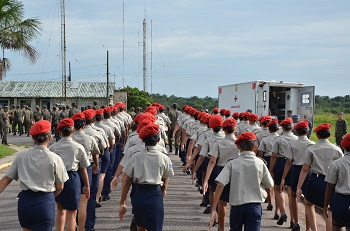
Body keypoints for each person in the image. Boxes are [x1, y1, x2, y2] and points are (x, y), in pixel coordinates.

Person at [0, 120, 69, 231]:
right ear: (50, 137)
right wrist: (49, 196)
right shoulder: (55, 158)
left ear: (33, 138)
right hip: (45, 202)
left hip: (26, 202)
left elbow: (7, 178)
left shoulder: (21, 156)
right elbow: (60, 186)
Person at [210, 132, 274, 231]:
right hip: (254, 207)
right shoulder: (260, 164)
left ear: (238, 146)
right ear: (255, 147)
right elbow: (269, 185)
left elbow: (220, 185)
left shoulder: (232, 163)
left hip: (237, 207)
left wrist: (214, 209)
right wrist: (270, 201)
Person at [118, 124, 174, 231]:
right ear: (158, 140)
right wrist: (164, 189)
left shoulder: (136, 157)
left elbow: (127, 182)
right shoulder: (164, 158)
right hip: (155, 194)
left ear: (143, 140)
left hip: (140, 195)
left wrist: (122, 202)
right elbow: (166, 176)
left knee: (140, 227)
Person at [297, 123, 343, 231]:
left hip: (316, 180)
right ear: (329, 135)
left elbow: (304, 169)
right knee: (328, 210)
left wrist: (299, 187)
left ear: (317, 136)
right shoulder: (337, 150)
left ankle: (314, 229)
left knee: (308, 203)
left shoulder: (312, 149)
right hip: (332, 182)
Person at [49, 118, 91, 231]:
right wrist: (87, 185)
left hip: (58, 179)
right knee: (72, 215)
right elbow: (83, 168)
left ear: (60, 132)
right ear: (72, 131)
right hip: (72, 178)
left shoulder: (53, 147)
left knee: (60, 210)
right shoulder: (78, 147)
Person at [203, 118, 240, 231]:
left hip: (223, 171)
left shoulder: (218, 143)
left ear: (223, 130)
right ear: (235, 129)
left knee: (222, 203)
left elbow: (213, 161)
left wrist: (206, 180)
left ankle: (221, 228)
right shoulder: (239, 142)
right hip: (237, 172)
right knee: (236, 203)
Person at [280, 120, 315, 231]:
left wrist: (283, 177)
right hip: (309, 171)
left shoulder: (293, 144)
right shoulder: (312, 144)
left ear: (297, 132)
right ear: (307, 131)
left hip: (296, 170)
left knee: (293, 197)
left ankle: (296, 222)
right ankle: (308, 228)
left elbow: (289, 162)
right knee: (308, 202)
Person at [269, 118, 298, 227]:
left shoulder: (278, 139)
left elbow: (274, 156)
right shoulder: (296, 139)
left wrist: (271, 170)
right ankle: (293, 220)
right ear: (292, 127)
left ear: (282, 128)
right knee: (291, 193)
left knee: (278, 189)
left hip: (281, 163)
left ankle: (283, 213)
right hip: (293, 164)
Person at [324, 133, 350, 231]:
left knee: (337, 225)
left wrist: (326, 204)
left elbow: (330, 186)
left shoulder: (336, 164)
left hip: (341, 200)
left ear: (344, 147)